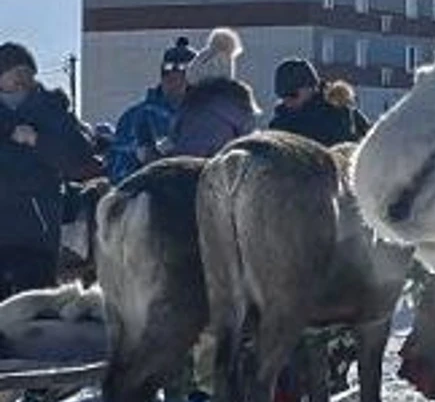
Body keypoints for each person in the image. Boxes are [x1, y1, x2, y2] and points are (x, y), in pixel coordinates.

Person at [0, 42, 98, 298]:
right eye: (12, 71)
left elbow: (81, 161)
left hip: (36, 237)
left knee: (34, 316)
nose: (21, 78)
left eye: (25, 70)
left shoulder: (53, 110)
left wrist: (38, 141)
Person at [106, 36, 196, 183]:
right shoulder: (136, 116)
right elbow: (117, 171)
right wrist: (141, 156)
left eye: (184, 72)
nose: (174, 78)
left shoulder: (210, 116)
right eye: (168, 72)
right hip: (152, 195)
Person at [169, 28, 259, 158]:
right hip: (223, 168)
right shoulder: (238, 104)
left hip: (187, 165)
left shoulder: (190, 105)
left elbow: (174, 135)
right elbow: (249, 137)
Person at [266, 58, 360, 145]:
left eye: (292, 94)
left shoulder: (339, 112)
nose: (288, 101)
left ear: (311, 87)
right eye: (283, 97)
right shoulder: (280, 124)